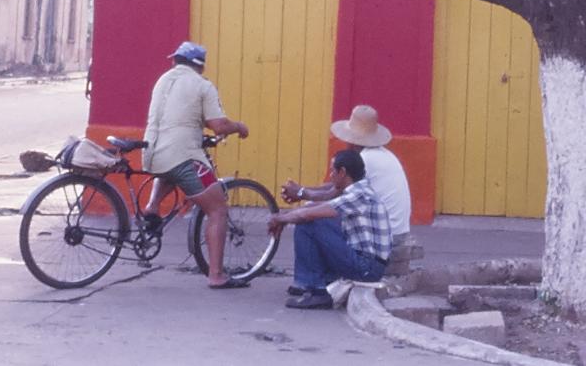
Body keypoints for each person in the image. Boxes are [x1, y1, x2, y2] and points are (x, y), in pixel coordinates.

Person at [141, 41, 250, 289]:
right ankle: (216, 275)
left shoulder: (162, 80)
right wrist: (239, 127)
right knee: (217, 209)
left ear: (176, 61)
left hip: (152, 153)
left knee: (170, 167)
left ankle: (152, 206)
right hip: (182, 154)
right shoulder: (202, 85)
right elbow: (219, 125)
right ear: (200, 66)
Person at [269, 148, 392, 309]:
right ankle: (321, 280)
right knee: (312, 217)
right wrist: (287, 215)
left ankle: (316, 291)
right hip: (366, 261)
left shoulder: (358, 195)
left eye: (332, 171)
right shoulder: (358, 189)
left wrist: (281, 219)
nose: (331, 175)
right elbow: (321, 202)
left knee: (309, 222)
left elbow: (310, 214)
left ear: (342, 172)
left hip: (367, 268)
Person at [279, 104, 411, 239]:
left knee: (309, 221)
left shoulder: (365, 159)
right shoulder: (382, 154)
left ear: (353, 141)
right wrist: (301, 190)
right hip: (394, 229)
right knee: (311, 209)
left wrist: (301, 193)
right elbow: (334, 185)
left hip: (386, 235)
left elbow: (332, 195)